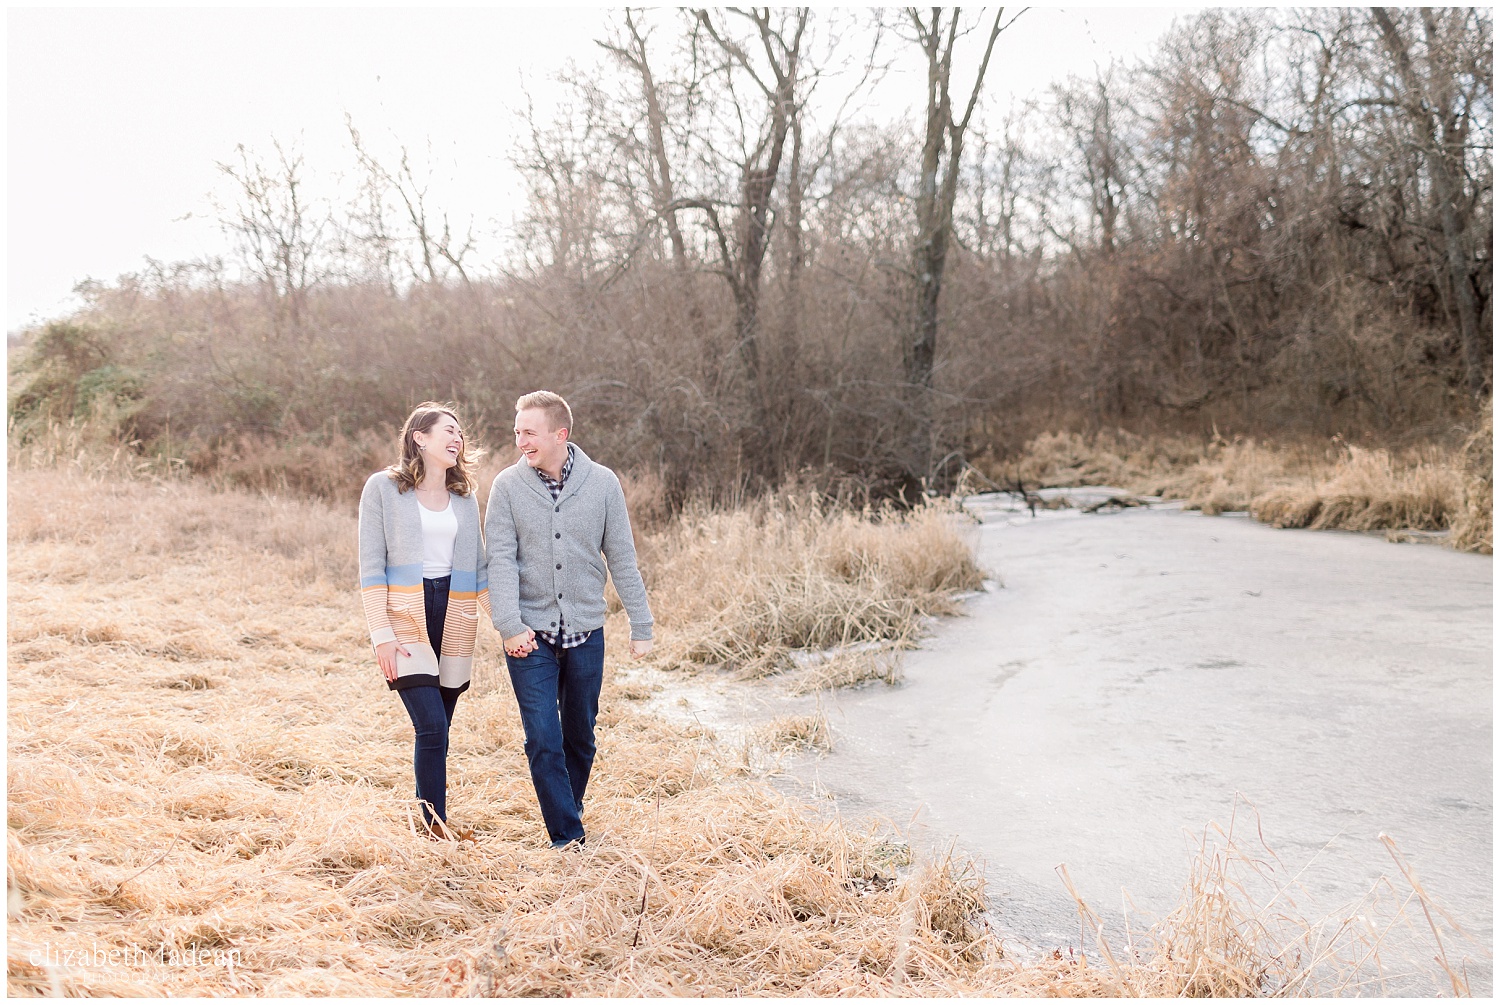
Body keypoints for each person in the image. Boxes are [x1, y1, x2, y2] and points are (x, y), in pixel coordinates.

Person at [485, 390, 654, 849]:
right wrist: (509, 624)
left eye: (529, 431)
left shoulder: (602, 484)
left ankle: (567, 807)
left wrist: (641, 625)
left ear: (560, 434)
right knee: (543, 739)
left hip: (586, 633)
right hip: (529, 636)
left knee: (580, 738)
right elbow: (498, 559)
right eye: (517, 431)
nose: (520, 439)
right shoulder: (506, 486)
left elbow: (621, 558)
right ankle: (568, 839)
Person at [358, 402, 489, 840]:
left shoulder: (465, 498)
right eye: (447, 430)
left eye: (459, 433)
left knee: (440, 731)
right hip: (406, 616)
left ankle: (427, 821)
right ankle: (436, 828)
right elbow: (371, 567)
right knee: (430, 725)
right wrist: (381, 635)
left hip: (454, 615)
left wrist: (509, 625)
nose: (457, 438)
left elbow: (481, 569)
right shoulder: (383, 489)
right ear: (420, 437)